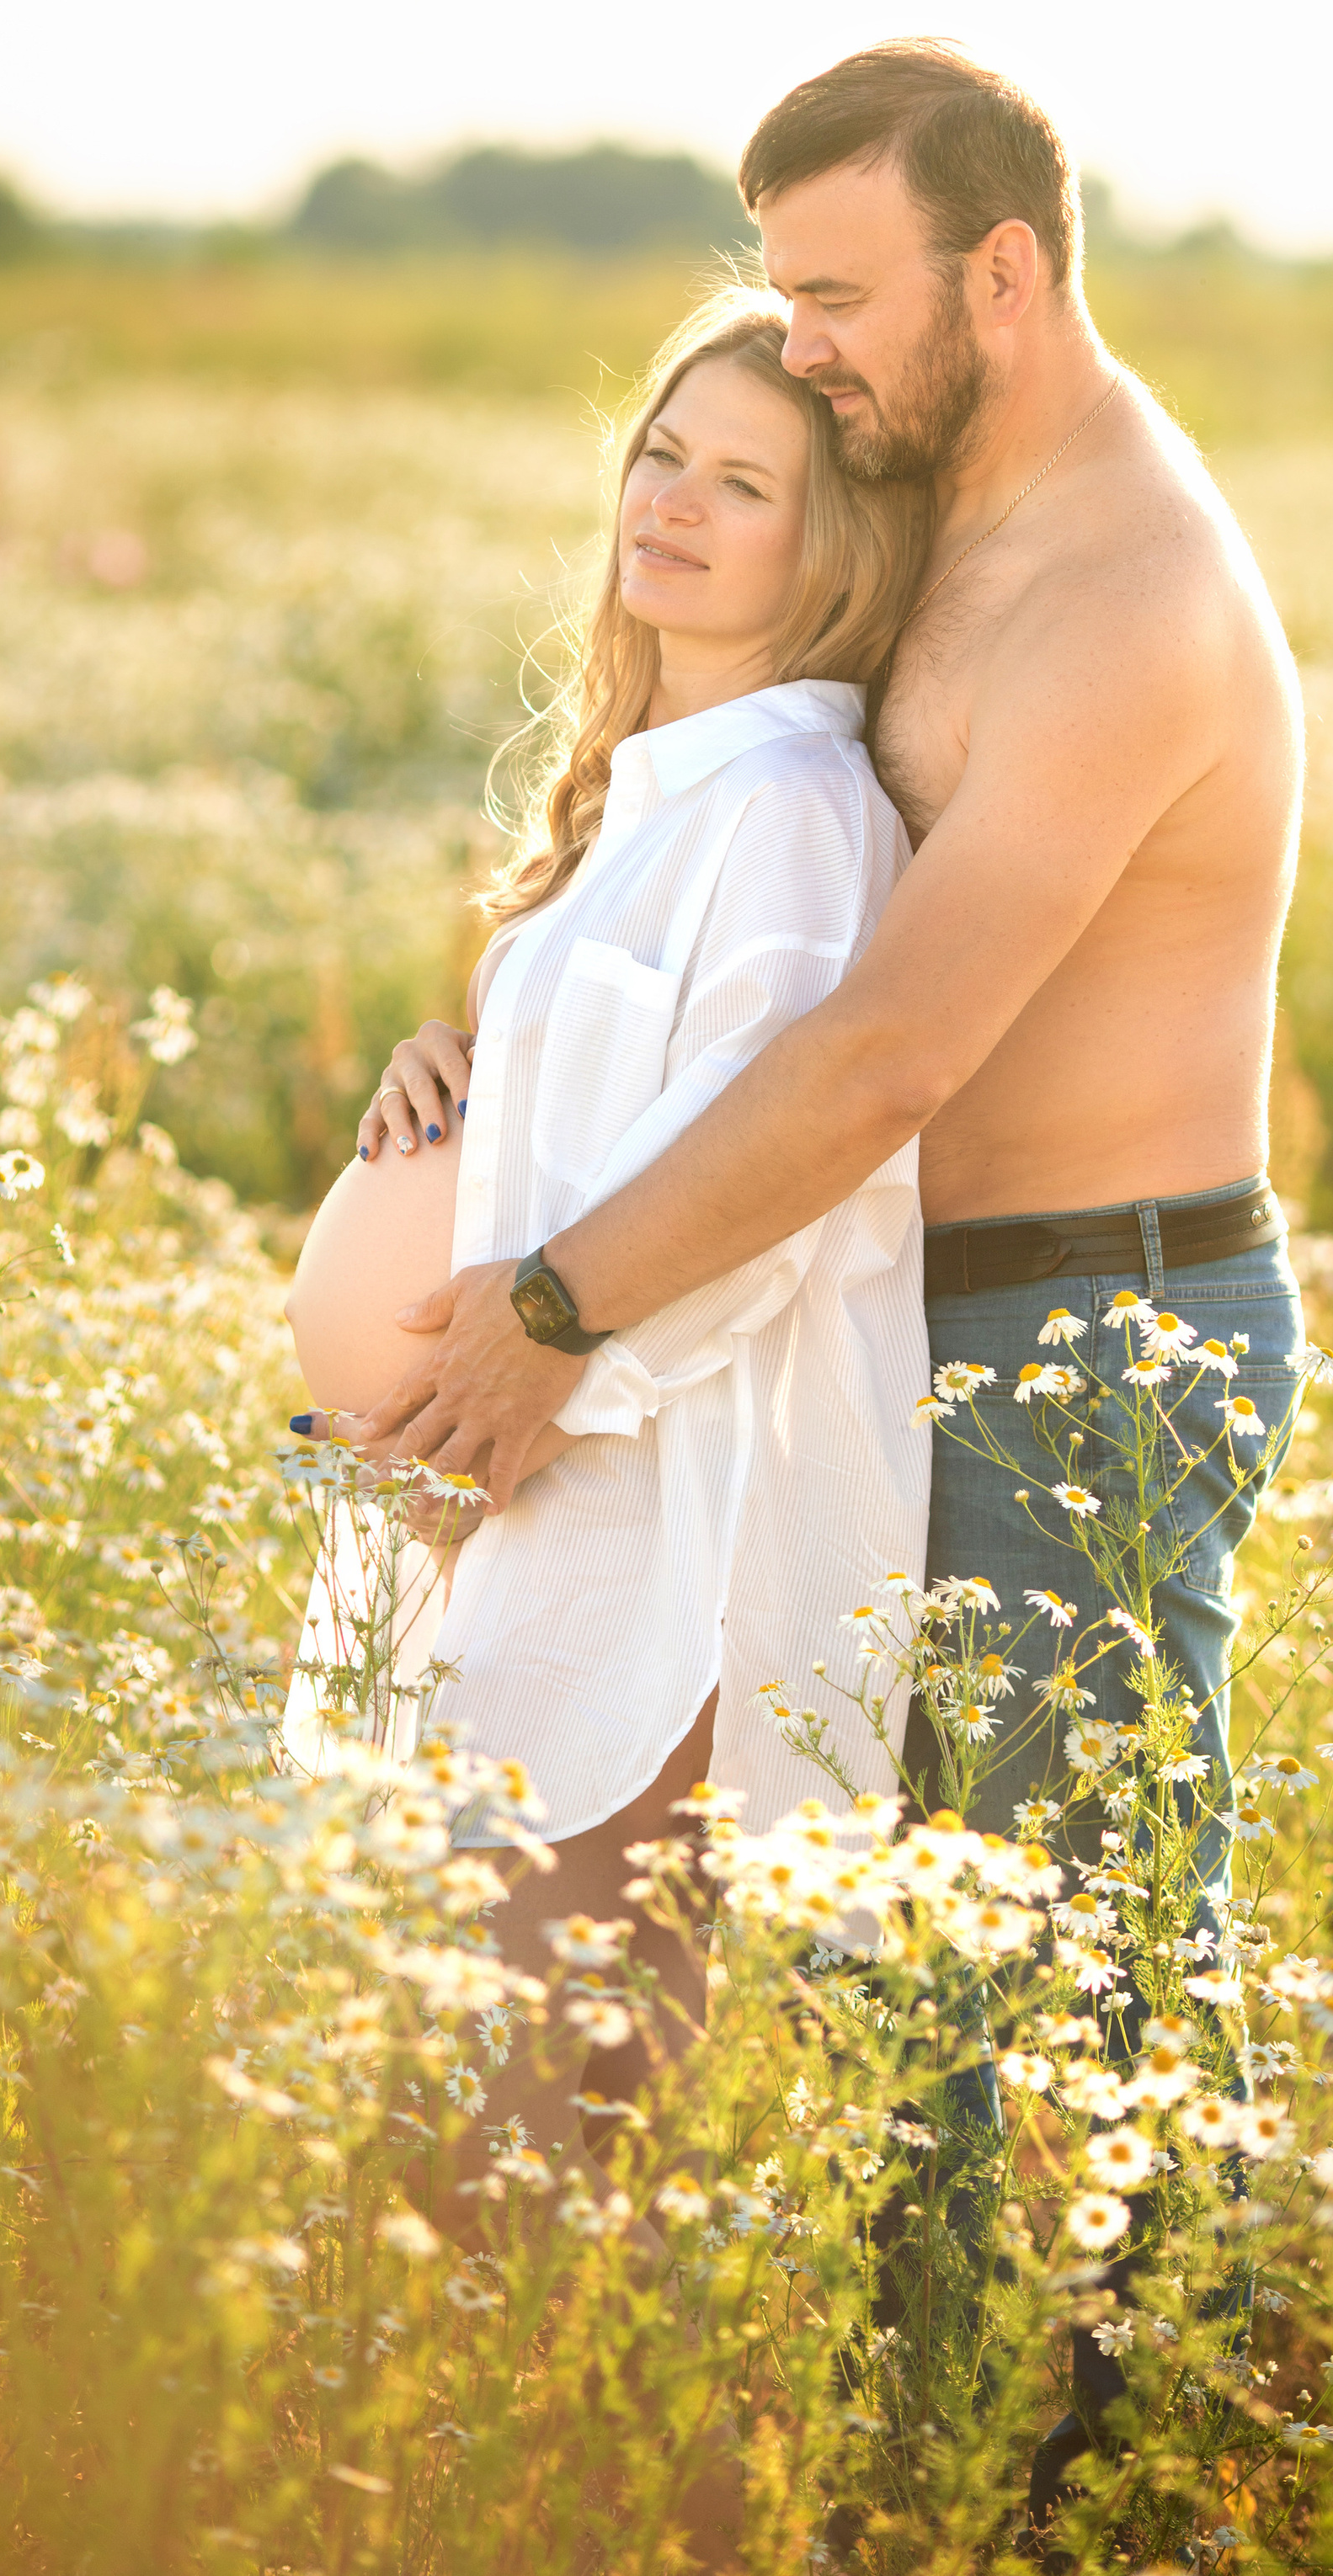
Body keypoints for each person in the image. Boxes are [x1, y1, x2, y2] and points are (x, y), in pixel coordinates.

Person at [354, 41, 1308, 2521]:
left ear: (1003, 272)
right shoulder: (926, 504)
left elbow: (884, 1050)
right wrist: (496, 1035)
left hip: (1091, 1333)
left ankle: (1126, 2490)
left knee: (1079, 1964)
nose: (805, 345)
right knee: (895, 1968)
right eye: (781, 293)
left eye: (840, 297)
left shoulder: (1130, 591)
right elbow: (713, 857)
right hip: (876, 1327)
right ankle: (916, 2475)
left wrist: (548, 1307)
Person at [285, 286, 933, 2233]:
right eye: (661, 455)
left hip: (642, 1498)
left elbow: (766, 1175)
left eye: (742, 483)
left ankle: (553, 2416)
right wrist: (462, 1069)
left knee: (532, 2100)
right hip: (530, 1483)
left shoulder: (795, 813)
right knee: (530, 2084)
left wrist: (512, 1401)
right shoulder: (662, 793)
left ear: (834, 550)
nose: (672, 502)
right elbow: (620, 1118)